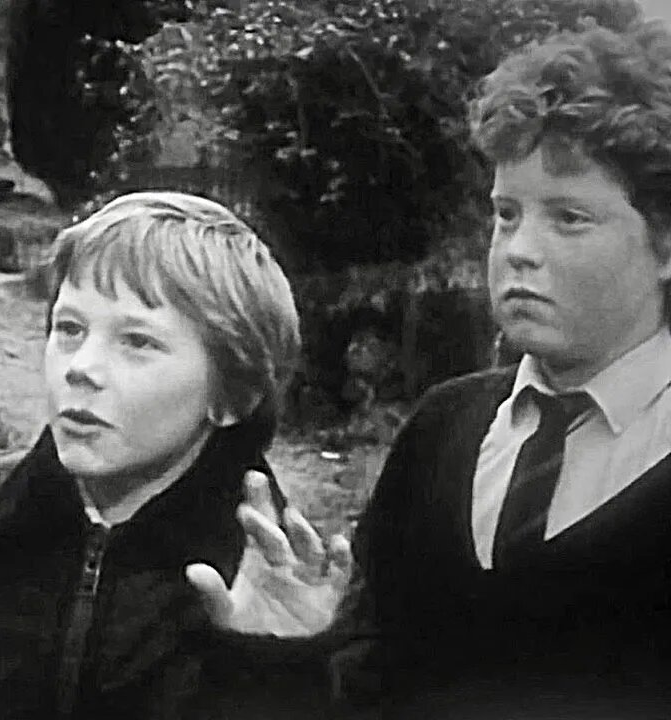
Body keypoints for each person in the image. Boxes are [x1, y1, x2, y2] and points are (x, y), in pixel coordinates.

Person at [193, 15, 671, 719]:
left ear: (663, 247)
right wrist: (292, 654)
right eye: (506, 214)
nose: (518, 250)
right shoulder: (445, 429)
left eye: (568, 218)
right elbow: (371, 682)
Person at [0, 191, 311, 719]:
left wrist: (281, 671)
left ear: (232, 396)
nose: (80, 367)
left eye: (136, 341)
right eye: (69, 330)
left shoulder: (268, 590)